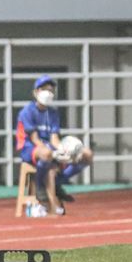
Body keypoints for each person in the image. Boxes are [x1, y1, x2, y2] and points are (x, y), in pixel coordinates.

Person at [16, 75, 94, 214]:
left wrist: (62, 149)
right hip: (29, 148)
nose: (48, 93)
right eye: (45, 89)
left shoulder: (53, 113)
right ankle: (40, 187)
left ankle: (58, 182)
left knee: (86, 154)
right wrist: (52, 153)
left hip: (48, 147)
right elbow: (34, 139)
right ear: (36, 92)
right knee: (46, 154)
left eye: (51, 90)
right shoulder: (27, 111)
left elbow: (54, 138)